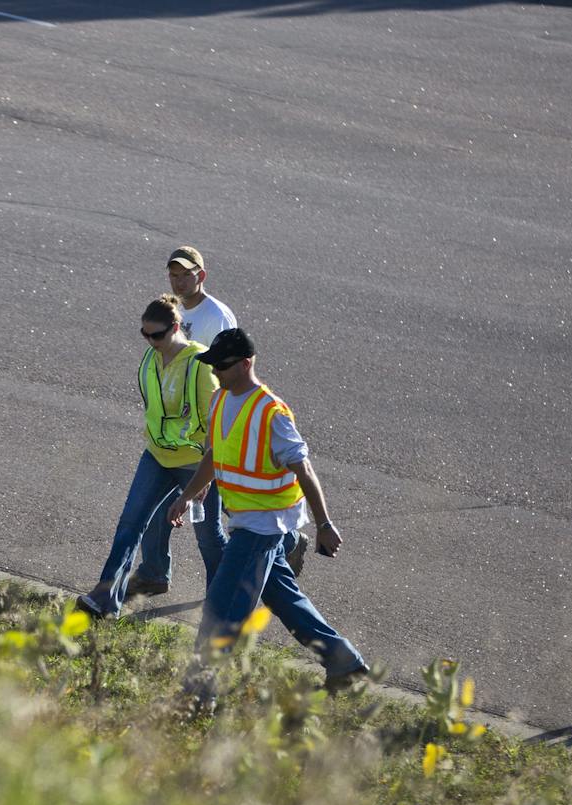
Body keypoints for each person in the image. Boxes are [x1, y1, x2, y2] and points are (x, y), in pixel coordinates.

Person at [166, 329, 368, 707]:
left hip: (263, 528)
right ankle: (343, 662)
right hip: (244, 521)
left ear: (245, 364)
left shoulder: (271, 412)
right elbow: (213, 456)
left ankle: (197, 694)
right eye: (213, 366)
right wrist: (186, 495)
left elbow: (304, 468)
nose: (216, 373)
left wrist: (324, 524)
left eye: (222, 366)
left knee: (222, 607)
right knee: (283, 597)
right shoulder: (221, 399)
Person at [75, 295, 227, 619]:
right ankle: (105, 600)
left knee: (209, 537)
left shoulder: (200, 365)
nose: (150, 341)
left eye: (157, 335)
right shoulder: (149, 358)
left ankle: (224, 605)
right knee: (130, 524)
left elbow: (218, 426)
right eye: (145, 334)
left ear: (176, 328)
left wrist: (205, 478)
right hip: (157, 457)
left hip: (196, 465)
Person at [128, 246, 242, 599]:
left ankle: (224, 595)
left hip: (209, 436)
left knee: (208, 526)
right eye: (173, 274)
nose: (179, 280)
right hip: (176, 439)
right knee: (159, 508)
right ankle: (153, 573)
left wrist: (217, 437)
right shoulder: (172, 311)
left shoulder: (217, 317)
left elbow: (230, 373)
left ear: (201, 275)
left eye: (186, 274)